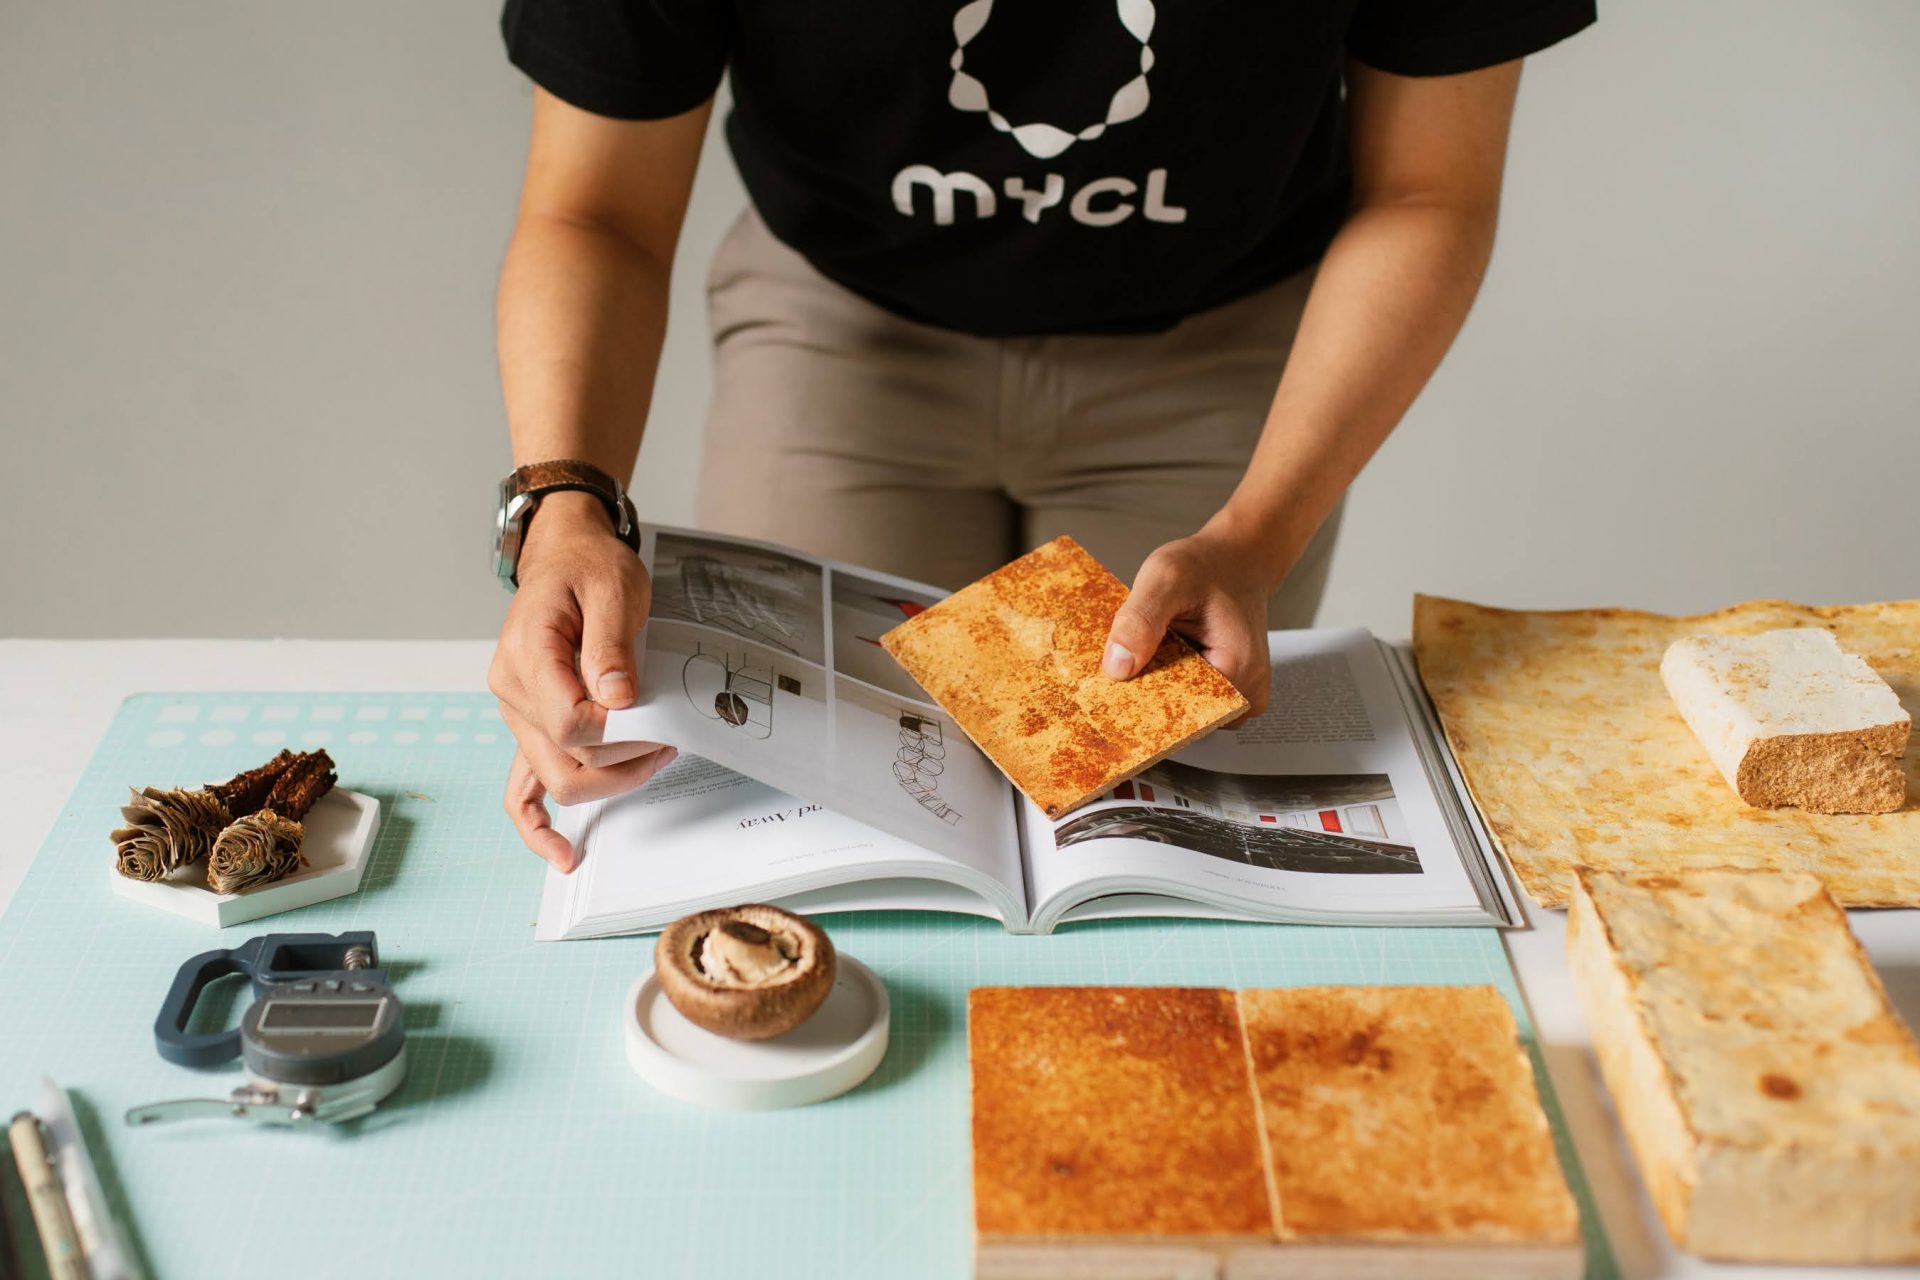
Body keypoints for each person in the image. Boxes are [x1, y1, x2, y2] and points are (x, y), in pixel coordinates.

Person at [487, 0, 1594, 868]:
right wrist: (563, 508)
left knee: (1152, 824)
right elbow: (598, 208)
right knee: (770, 793)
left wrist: (1258, 532)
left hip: (1224, 334)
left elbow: (1427, 191)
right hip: (843, 326)